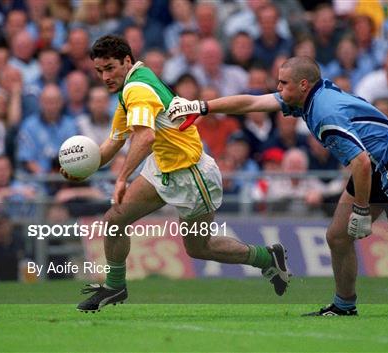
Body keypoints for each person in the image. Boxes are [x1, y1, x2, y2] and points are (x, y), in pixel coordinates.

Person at [168, 56, 388, 316]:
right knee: (337, 237)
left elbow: (362, 162)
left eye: (283, 84)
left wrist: (360, 211)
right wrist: (202, 106)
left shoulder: (323, 115)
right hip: (374, 167)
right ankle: (344, 306)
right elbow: (252, 102)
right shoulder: (311, 96)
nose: (277, 90)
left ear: (303, 85)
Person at [60, 35, 290, 313]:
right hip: (162, 166)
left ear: (127, 62)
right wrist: (84, 169)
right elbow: (114, 142)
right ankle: (115, 286)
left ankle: (267, 258)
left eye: (110, 68)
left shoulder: (137, 89)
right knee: (114, 221)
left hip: (191, 175)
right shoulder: (128, 88)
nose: (105, 76)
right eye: (99, 71)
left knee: (199, 248)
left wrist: (121, 179)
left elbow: (144, 139)